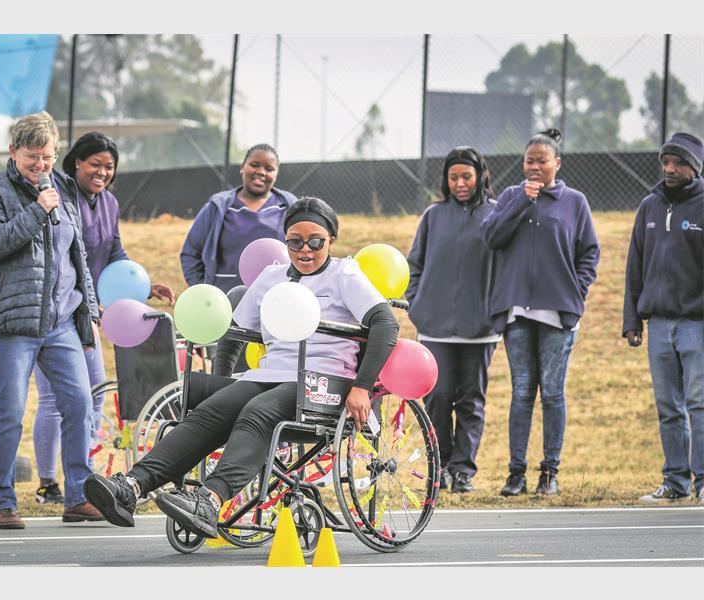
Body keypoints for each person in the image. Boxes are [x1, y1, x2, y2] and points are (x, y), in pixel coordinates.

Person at [84, 197, 400, 536]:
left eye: (315, 241)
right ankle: (131, 486)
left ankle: (210, 499)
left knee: (259, 410)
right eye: (295, 241)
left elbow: (386, 324)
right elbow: (234, 334)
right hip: (272, 374)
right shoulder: (272, 278)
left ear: (330, 241)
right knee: (210, 410)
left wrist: (363, 387)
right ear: (286, 241)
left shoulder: (345, 274)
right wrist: (223, 383)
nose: (305, 249)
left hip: (326, 380)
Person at [0, 112, 103, 528]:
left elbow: (76, 255)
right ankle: (2, 502)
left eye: (47, 158)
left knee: (80, 403)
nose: (41, 166)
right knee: (10, 410)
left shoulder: (63, 188)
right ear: (13, 152)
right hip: (12, 323)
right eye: (33, 158)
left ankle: (78, 496)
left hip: (60, 322)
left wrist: (89, 312)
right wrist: (36, 212)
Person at [32, 132, 175, 505]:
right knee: (51, 400)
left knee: (95, 394)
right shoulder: (61, 195)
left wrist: (144, 286)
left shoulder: (109, 202)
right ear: (77, 162)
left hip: (88, 313)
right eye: (95, 163)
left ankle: (85, 475)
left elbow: (115, 253)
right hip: (55, 310)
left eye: (109, 167)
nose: (102, 172)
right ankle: (48, 482)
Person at [480, 128, 600, 497]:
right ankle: (516, 473)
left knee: (552, 394)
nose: (534, 166)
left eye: (542, 160)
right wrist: (521, 203)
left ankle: (550, 472)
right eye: (529, 160)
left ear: (556, 164)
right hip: (517, 313)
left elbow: (589, 253)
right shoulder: (512, 197)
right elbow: (491, 237)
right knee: (520, 394)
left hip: (557, 315)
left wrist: (575, 293)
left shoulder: (575, 202)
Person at [405, 146, 499, 494]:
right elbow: (415, 264)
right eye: (454, 177)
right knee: (439, 396)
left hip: (481, 329)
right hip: (435, 327)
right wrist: (417, 304)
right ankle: (440, 466)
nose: (460, 183)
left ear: (480, 177)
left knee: (471, 400)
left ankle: (463, 470)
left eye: (467, 177)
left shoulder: (496, 213)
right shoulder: (433, 215)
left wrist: (495, 311)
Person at [622, 132, 704, 504]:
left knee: (699, 403)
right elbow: (634, 266)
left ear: (695, 168)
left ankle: (702, 481)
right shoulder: (649, 207)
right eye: (666, 162)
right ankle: (674, 482)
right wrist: (632, 321)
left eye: (679, 163)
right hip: (658, 325)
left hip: (696, 324)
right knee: (668, 406)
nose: (669, 169)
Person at [179, 143, 296, 294]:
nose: (261, 172)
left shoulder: (289, 207)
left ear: (276, 174)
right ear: (242, 167)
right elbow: (191, 252)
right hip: (225, 301)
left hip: (275, 300)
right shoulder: (218, 207)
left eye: (269, 169)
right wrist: (203, 291)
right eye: (254, 165)